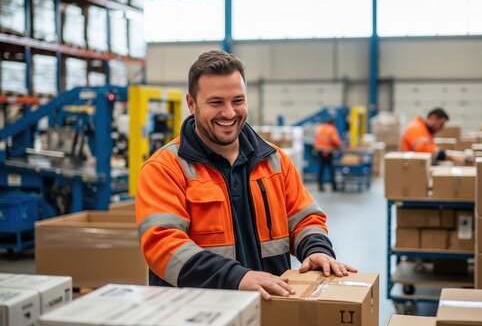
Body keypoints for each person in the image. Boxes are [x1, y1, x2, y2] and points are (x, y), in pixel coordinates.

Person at [135, 50, 356, 301]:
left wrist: (316, 249)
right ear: (191, 103)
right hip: (196, 313)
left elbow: (304, 218)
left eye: (237, 101)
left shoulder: (275, 161)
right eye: (216, 102)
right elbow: (163, 246)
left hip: (268, 309)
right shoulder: (164, 168)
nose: (229, 113)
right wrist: (236, 277)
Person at [399, 108, 465, 164]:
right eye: (441, 124)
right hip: (408, 167)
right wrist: (450, 156)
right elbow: (422, 149)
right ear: (433, 118)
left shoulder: (426, 131)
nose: (441, 128)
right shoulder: (416, 128)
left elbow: (431, 149)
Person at [313, 118, 342, 191]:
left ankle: (320, 186)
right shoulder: (331, 129)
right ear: (332, 123)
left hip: (319, 151)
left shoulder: (319, 128)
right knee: (331, 169)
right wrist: (339, 146)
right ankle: (334, 187)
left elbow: (315, 139)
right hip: (328, 151)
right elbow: (336, 141)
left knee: (321, 169)